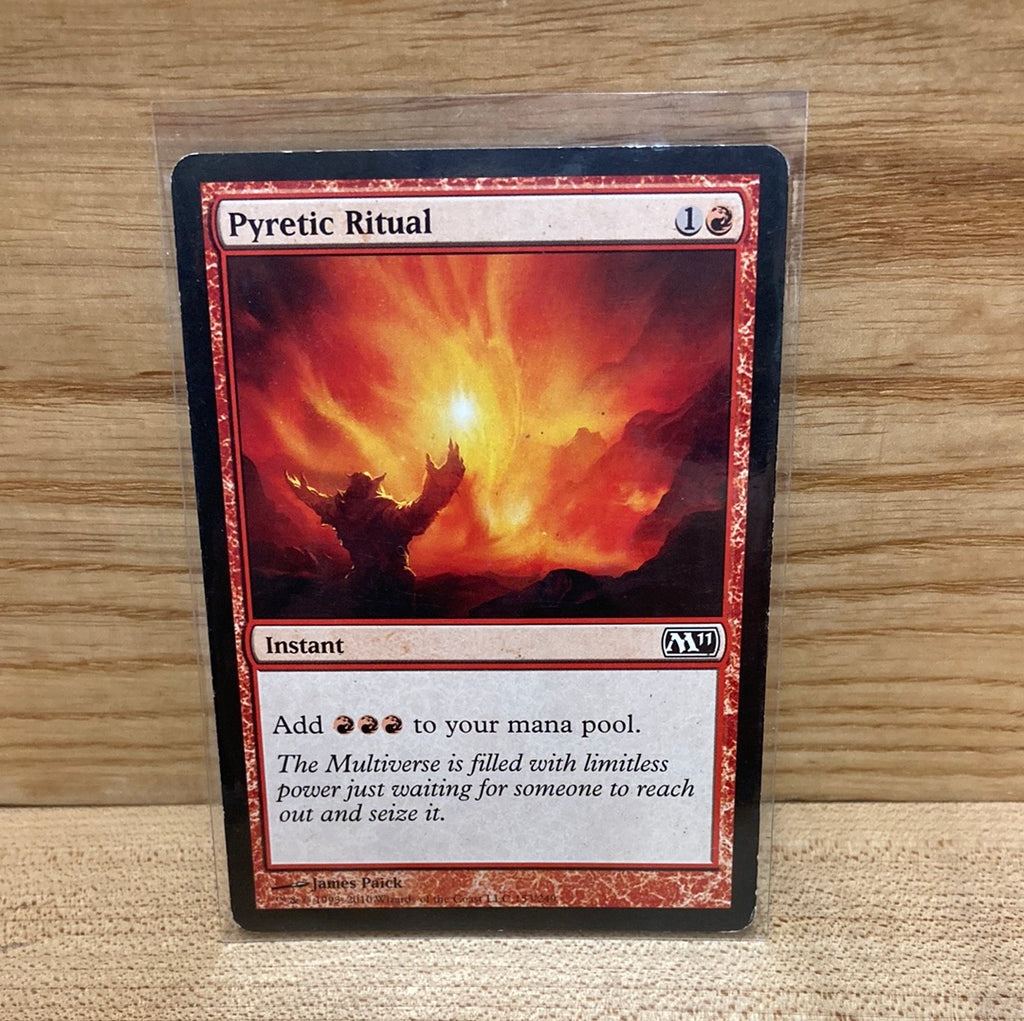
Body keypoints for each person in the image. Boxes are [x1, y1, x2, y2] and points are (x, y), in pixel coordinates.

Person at [286, 440, 465, 615]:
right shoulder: (378, 512)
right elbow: (416, 513)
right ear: (373, 488)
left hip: (364, 584)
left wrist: (438, 484)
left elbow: (316, 502)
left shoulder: (340, 512)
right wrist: (438, 485)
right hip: (388, 585)